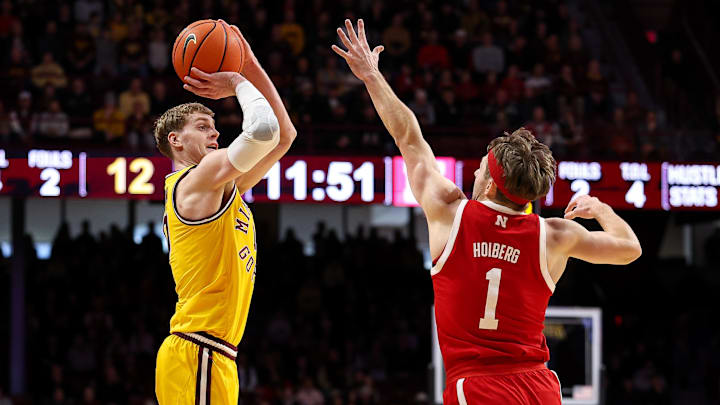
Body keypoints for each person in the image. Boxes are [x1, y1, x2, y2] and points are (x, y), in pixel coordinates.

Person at [332, 19, 642, 405]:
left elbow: (408, 137)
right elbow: (629, 248)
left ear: (491, 183)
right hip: (540, 389)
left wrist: (371, 77)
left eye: (480, 167)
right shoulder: (555, 235)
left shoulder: (449, 211)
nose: (475, 171)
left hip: (477, 387)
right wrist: (600, 207)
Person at [154, 21, 296, 405]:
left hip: (214, 353)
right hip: (196, 347)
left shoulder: (220, 187)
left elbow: (284, 135)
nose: (215, 135)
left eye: (215, 126)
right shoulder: (196, 181)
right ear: (176, 140)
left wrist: (247, 58)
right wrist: (235, 81)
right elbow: (262, 130)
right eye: (204, 127)